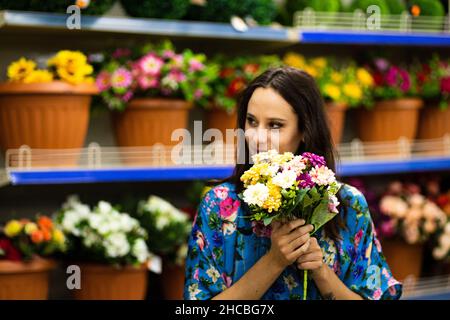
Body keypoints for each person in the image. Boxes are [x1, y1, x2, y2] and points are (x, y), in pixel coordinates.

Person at [183, 66, 402, 300]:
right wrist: (274, 262)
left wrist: (320, 271)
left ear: (305, 130)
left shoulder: (348, 204)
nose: (257, 138)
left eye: (275, 125)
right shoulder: (219, 205)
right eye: (251, 121)